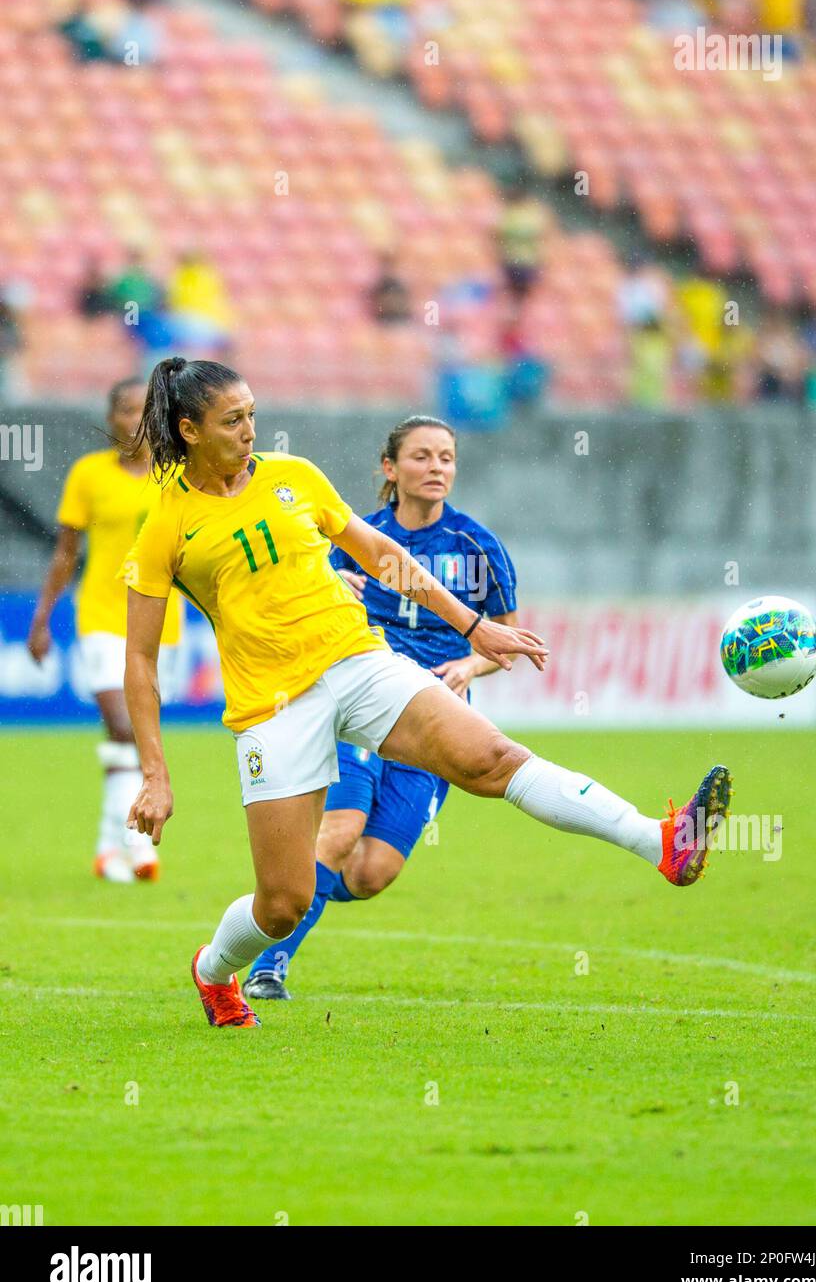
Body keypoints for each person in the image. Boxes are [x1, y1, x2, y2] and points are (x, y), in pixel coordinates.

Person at [123, 357, 732, 1029]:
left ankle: (663, 842)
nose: (249, 432)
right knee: (283, 904)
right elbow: (142, 661)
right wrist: (155, 773)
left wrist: (474, 628)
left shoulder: (293, 476)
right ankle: (213, 972)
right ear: (189, 430)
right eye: (232, 421)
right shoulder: (165, 525)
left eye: (253, 415)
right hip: (275, 707)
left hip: (359, 661)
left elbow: (385, 556)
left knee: (491, 760)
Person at [243, 414, 518, 1001]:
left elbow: (507, 637)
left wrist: (471, 665)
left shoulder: (477, 545)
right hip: (360, 701)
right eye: (421, 456)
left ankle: (296, 893)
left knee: (370, 873)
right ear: (390, 469)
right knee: (339, 834)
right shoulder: (352, 538)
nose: (436, 467)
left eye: (446, 457)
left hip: (435, 716)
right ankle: (269, 964)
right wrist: (331, 591)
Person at [27, 378, 183, 883]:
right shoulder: (89, 474)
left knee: (135, 736)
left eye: (144, 410)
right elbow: (66, 552)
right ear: (111, 417)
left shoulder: (176, 476)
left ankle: (109, 848)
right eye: (124, 409)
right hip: (100, 614)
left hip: (162, 621)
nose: (134, 419)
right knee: (124, 726)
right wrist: (42, 619)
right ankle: (132, 846)